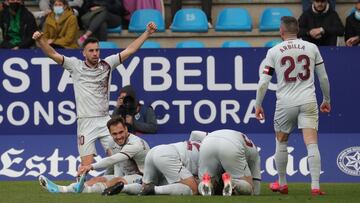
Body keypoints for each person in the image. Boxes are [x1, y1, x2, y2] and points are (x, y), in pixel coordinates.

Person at [32, 22, 157, 166]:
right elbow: (52, 53)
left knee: (118, 160)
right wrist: (40, 41)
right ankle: (80, 187)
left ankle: (124, 183)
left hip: (105, 121)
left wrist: (147, 33)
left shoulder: (107, 64)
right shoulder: (75, 65)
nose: (95, 53)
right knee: (87, 164)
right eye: (91, 51)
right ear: (83, 53)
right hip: (85, 121)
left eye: (97, 50)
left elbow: (130, 50)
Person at [255, 16, 331, 195]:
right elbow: (324, 78)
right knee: (312, 144)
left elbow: (263, 83)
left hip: (285, 104)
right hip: (308, 101)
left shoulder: (274, 51)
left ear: (281, 31)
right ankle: (315, 186)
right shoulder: (312, 48)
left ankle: (282, 183)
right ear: (297, 30)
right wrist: (326, 100)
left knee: (281, 141)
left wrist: (258, 104)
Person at [39, 116, 150, 194]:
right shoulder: (112, 142)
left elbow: (113, 159)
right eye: (114, 134)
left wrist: (91, 166)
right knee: (98, 179)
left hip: (144, 178)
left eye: (121, 132)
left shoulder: (135, 144)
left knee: (115, 182)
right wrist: (116, 176)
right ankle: (63, 189)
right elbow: (118, 164)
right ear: (110, 134)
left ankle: (70, 190)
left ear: (126, 129)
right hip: (127, 176)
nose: (119, 136)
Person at [102, 130, 208, 196]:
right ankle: (154, 190)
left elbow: (195, 133)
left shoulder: (202, 141)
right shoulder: (211, 156)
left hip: (156, 151)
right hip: (169, 157)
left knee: (146, 186)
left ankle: (124, 188)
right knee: (193, 190)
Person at [197, 129, 261, 196]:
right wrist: (254, 192)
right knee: (249, 187)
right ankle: (231, 182)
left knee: (206, 179)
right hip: (231, 144)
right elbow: (256, 185)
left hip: (207, 142)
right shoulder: (255, 154)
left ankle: (205, 183)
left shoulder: (242, 139)